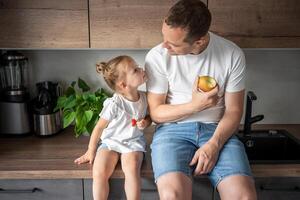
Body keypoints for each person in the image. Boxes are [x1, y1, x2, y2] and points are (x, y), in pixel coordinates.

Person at [145, 0, 257, 200]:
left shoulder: (232, 54)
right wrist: (195, 106)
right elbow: (156, 113)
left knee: (244, 197)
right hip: (172, 131)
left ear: (199, 41)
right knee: (172, 196)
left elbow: (233, 111)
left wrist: (214, 144)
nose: (164, 45)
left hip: (217, 130)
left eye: (174, 43)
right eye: (164, 36)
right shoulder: (157, 56)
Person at [74, 55, 152, 200]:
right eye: (135, 70)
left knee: (132, 168)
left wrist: (145, 122)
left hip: (133, 142)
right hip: (111, 142)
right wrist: (91, 151)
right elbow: (98, 128)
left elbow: (149, 117)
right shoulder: (115, 103)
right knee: (99, 171)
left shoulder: (145, 98)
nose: (141, 69)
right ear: (123, 85)